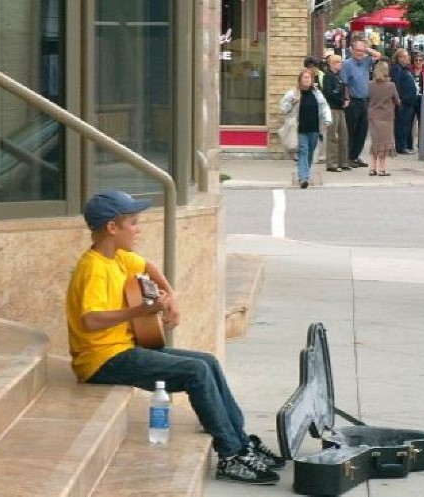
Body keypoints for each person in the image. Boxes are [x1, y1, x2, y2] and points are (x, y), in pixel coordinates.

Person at [66, 190, 286, 484]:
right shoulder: (93, 268)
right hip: (101, 360)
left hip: (121, 349)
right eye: (133, 223)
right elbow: (90, 320)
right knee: (195, 371)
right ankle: (230, 455)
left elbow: (148, 267)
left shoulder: (117, 257)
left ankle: (242, 442)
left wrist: (172, 298)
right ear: (112, 227)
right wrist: (138, 311)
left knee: (208, 361)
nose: (138, 229)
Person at [280, 70, 332, 188]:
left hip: (314, 127)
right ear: (300, 80)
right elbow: (283, 108)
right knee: (303, 151)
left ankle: (305, 172)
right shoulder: (293, 93)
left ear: (312, 80)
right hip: (300, 128)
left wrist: (327, 119)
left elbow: (324, 107)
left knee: (310, 152)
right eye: (305, 77)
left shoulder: (317, 93)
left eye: (309, 78)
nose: (307, 80)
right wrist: (293, 102)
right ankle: (303, 178)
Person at [340, 38, 382, 168]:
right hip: (353, 101)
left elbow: (378, 55)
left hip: (364, 100)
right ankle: (348, 157)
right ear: (351, 50)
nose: (360, 53)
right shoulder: (347, 63)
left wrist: (366, 48)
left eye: (361, 51)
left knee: (362, 130)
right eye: (357, 50)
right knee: (351, 130)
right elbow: (344, 83)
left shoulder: (365, 61)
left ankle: (355, 156)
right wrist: (346, 99)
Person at [367, 61, 400, 176]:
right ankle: (382, 168)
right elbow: (397, 101)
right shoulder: (391, 85)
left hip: (373, 115)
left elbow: (368, 98)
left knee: (375, 141)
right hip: (386, 116)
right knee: (384, 143)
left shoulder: (370, 84)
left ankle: (372, 167)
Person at [322, 55, 350, 172]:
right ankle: (332, 163)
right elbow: (328, 93)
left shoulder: (338, 77)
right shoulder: (328, 77)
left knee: (344, 135)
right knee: (333, 136)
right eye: (339, 63)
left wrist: (345, 99)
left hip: (341, 109)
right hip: (333, 108)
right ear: (333, 64)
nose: (341, 65)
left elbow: (342, 90)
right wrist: (341, 101)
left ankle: (343, 161)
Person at [391, 48, 417, 154]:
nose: (407, 59)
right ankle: (401, 146)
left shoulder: (406, 69)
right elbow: (395, 84)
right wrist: (398, 99)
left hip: (410, 102)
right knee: (401, 125)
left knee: (407, 125)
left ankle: (406, 145)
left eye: (408, 57)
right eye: (405, 57)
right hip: (403, 102)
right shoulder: (397, 69)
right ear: (399, 58)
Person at [410, 52, 424, 150]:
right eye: (416, 60)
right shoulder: (410, 71)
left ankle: (421, 144)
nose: (418, 62)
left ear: (423, 61)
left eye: (420, 60)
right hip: (412, 97)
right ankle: (410, 144)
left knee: (422, 122)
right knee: (411, 122)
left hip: (423, 98)